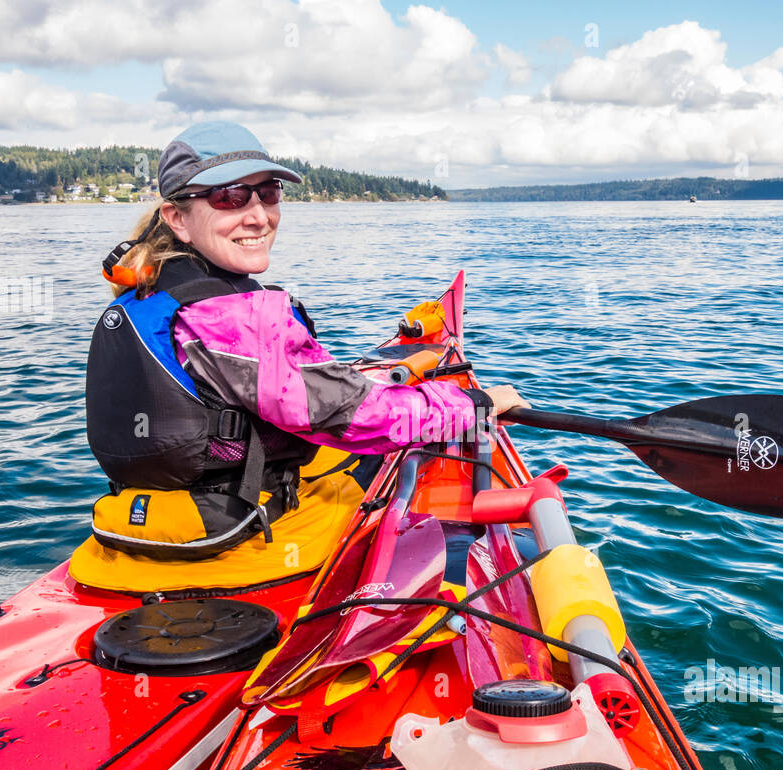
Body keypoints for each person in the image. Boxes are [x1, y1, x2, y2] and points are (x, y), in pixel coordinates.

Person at [85, 121, 528, 558]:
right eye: (230, 196)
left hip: (147, 512)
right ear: (177, 217)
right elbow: (357, 416)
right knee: (392, 456)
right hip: (237, 528)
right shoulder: (229, 316)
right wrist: (474, 407)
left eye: (268, 192)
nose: (259, 215)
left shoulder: (150, 287)